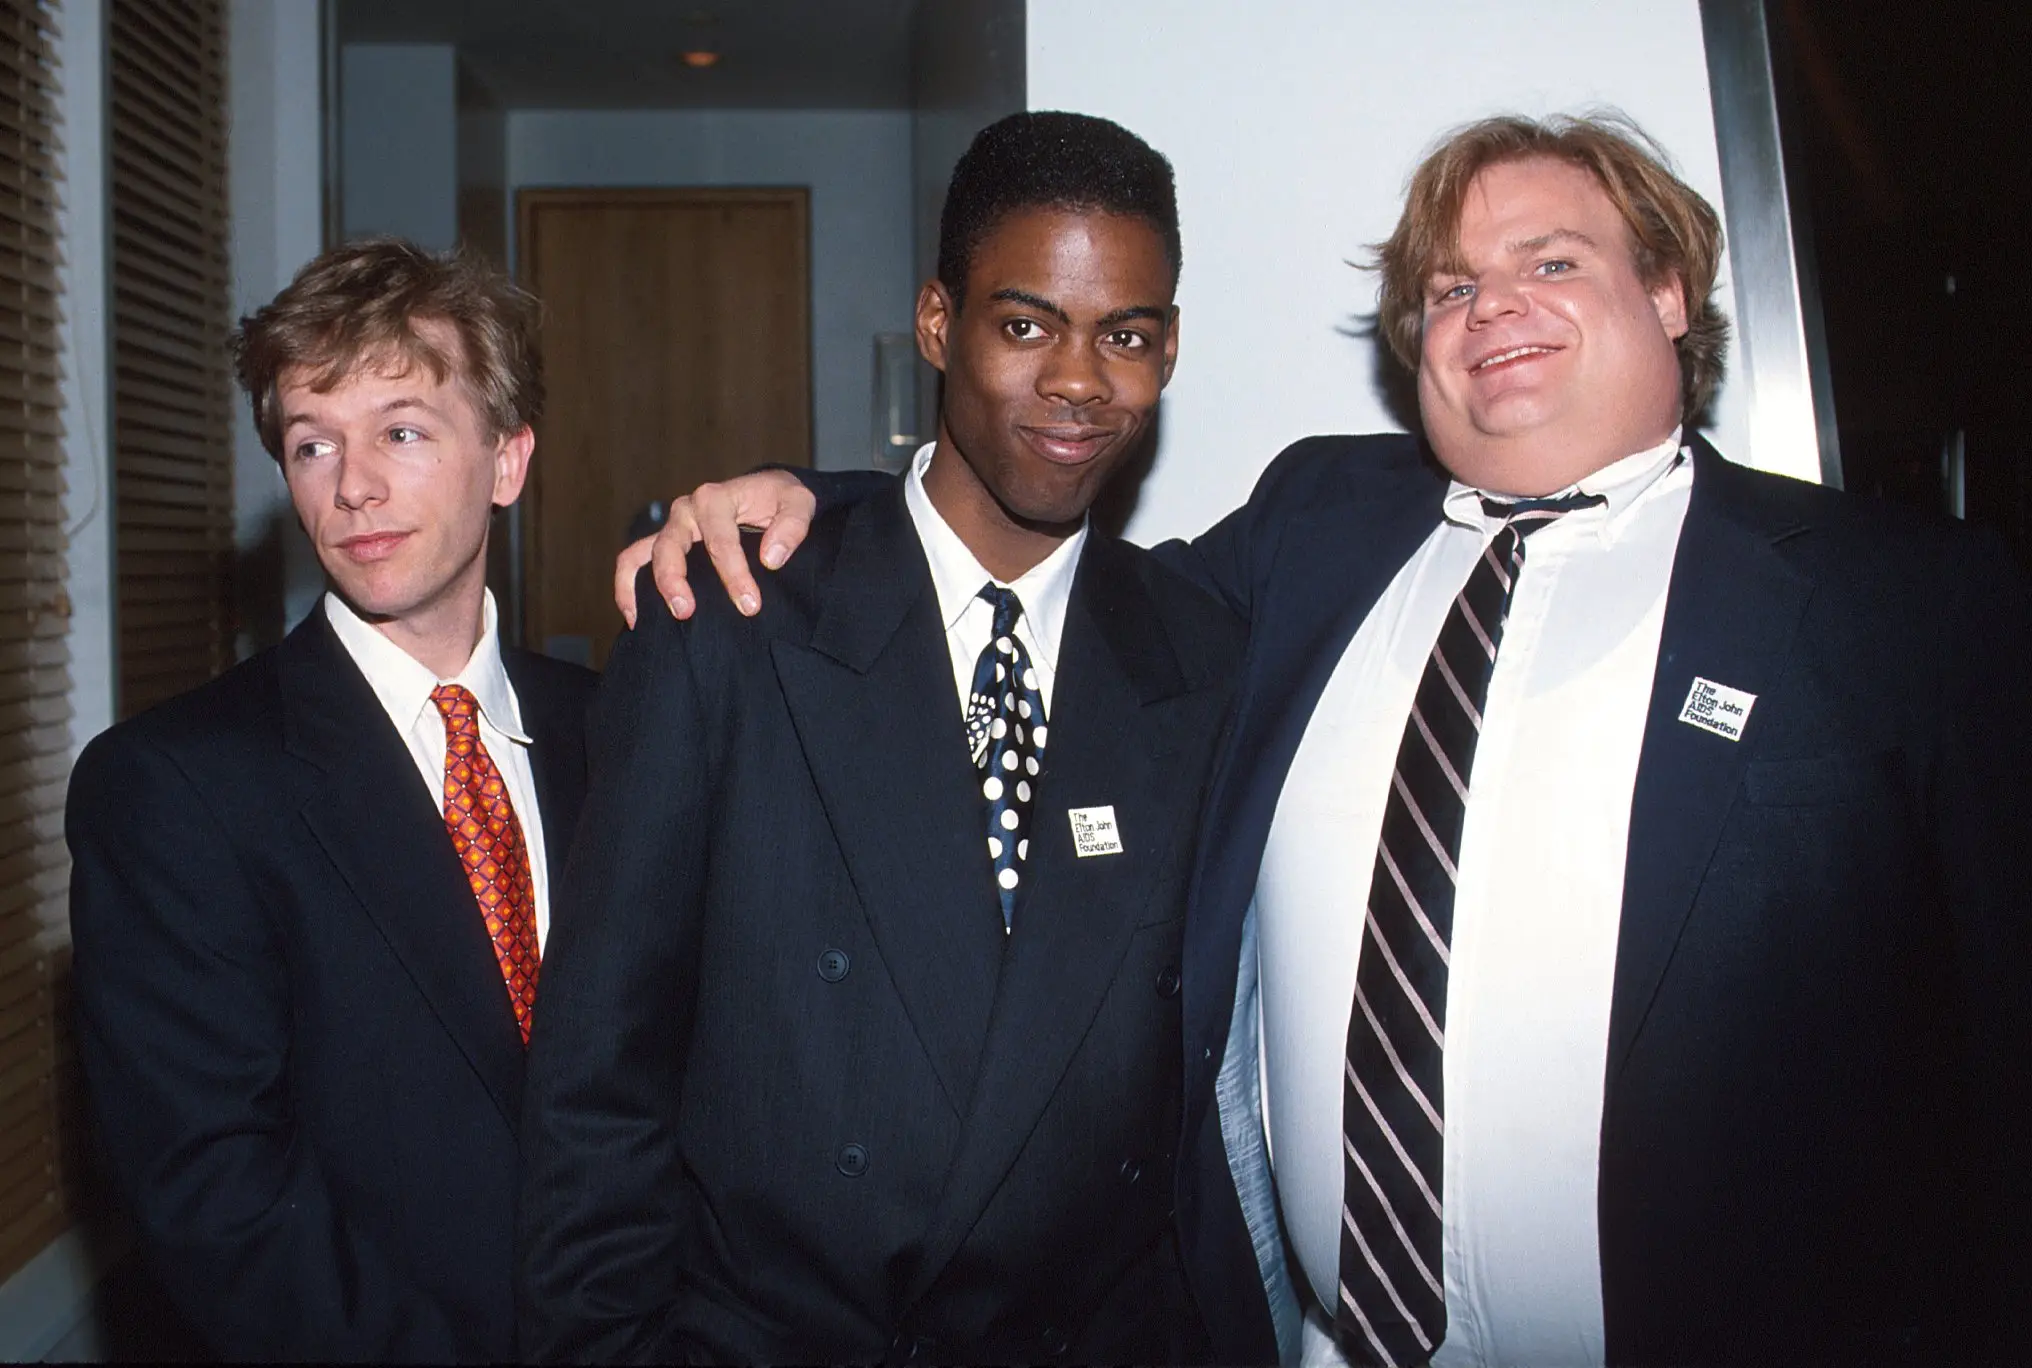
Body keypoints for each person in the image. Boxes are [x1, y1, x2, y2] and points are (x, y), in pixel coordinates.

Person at [623, 111, 2032, 1366]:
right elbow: (1042, 586)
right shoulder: (1319, 531)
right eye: (1452, 286)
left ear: (1668, 293)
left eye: (1551, 263)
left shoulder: (1897, 605)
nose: (1495, 310)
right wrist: (815, 514)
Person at [517, 112, 1242, 1363]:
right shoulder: (730, 622)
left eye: (1123, 336)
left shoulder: (1199, 653)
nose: (1078, 380)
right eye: (1025, 325)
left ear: (1167, 353)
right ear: (936, 324)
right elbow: (599, 1082)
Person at [67, 240, 596, 1362]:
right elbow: (218, 1197)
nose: (353, 485)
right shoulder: (177, 786)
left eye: (402, 431)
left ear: (507, 461)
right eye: (314, 444)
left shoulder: (622, 733)